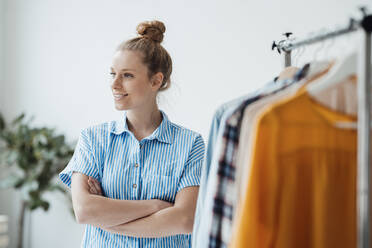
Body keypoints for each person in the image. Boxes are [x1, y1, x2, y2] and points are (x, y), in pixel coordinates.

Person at [59, 20, 205, 247]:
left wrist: (107, 217)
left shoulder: (191, 144)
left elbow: (185, 220)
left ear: (156, 80)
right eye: (112, 74)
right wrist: (156, 206)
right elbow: (85, 211)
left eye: (127, 75)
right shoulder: (92, 139)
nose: (114, 84)